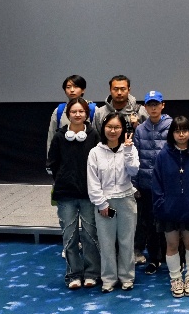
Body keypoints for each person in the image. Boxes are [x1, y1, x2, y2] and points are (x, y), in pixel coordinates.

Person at [152, 115, 189, 298]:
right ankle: (176, 278)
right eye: (177, 131)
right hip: (168, 210)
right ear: (172, 134)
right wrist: (162, 205)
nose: (181, 134)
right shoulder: (163, 155)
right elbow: (156, 184)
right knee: (172, 245)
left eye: (184, 130)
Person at [47, 97, 101, 290]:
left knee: (90, 235)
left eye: (81, 111)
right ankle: (73, 275)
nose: (77, 114)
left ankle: (92, 273)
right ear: (68, 114)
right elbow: (52, 163)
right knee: (69, 237)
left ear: (86, 114)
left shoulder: (94, 135)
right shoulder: (60, 137)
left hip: (88, 195)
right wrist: (63, 179)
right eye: (74, 111)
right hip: (66, 195)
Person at [86, 112, 139, 292]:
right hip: (105, 202)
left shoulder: (130, 148)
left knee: (126, 241)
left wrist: (129, 151)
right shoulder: (95, 152)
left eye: (117, 127)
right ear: (103, 128)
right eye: (109, 127)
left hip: (126, 200)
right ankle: (108, 279)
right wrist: (101, 204)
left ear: (123, 129)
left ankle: (127, 277)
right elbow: (93, 182)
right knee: (106, 243)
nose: (113, 131)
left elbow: (134, 171)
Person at [133, 90, 172, 275]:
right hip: (147, 185)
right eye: (150, 104)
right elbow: (135, 159)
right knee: (150, 224)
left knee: (170, 223)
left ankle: (172, 257)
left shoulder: (172, 126)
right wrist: (135, 185)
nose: (153, 108)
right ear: (145, 107)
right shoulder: (140, 130)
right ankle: (155, 259)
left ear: (163, 105)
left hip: (168, 187)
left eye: (156, 104)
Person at [46, 75, 97, 161]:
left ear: (83, 90)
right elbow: (51, 137)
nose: (72, 90)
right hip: (65, 160)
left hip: (89, 160)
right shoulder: (59, 111)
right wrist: (50, 161)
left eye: (76, 86)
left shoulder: (93, 110)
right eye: (68, 87)